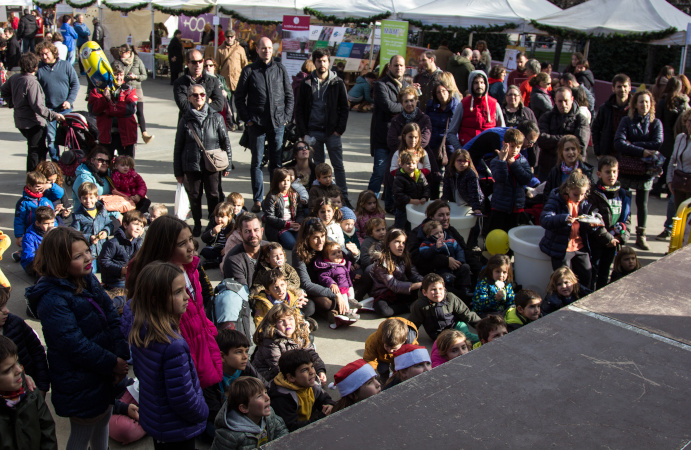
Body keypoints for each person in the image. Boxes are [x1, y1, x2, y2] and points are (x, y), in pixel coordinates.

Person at [25, 227, 129, 450]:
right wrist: (113, 363)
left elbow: (110, 314)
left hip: (103, 373)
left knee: (103, 422)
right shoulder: (52, 298)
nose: (88, 258)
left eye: (87, 252)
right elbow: (74, 344)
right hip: (80, 381)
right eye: (78, 256)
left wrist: (120, 353)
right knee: (82, 434)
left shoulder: (86, 278)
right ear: (58, 261)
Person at [124, 215, 223, 389]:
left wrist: (210, 331)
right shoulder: (156, 283)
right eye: (182, 244)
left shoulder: (190, 267)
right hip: (184, 361)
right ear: (164, 248)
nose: (191, 247)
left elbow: (198, 309)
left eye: (190, 239)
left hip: (203, 347)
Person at [128, 261, 208, 449]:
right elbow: (183, 398)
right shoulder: (173, 346)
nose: (187, 296)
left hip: (157, 420)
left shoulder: (141, 330)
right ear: (156, 299)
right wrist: (203, 411)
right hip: (178, 428)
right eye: (178, 292)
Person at [236, 37, 293, 213]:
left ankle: (275, 197)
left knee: (276, 163)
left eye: (269, 48)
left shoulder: (280, 69)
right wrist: (248, 119)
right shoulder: (249, 71)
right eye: (263, 48)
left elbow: (289, 96)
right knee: (257, 163)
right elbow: (238, 98)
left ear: (272, 50)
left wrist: (286, 117)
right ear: (257, 49)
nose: (266, 51)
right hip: (257, 124)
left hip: (277, 123)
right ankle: (258, 200)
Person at [173, 84, 232, 236]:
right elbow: (178, 146)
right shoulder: (185, 119)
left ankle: (214, 222)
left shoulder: (216, 117)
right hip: (191, 165)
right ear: (189, 98)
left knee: (214, 195)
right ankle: (197, 223)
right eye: (195, 95)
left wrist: (228, 164)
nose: (199, 97)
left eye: (202, 95)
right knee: (194, 196)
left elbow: (225, 142)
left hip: (212, 165)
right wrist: (178, 171)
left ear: (207, 97)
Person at [296, 48, 350, 202]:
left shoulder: (337, 82)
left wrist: (339, 130)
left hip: (332, 132)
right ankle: (323, 199)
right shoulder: (306, 83)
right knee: (319, 167)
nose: (322, 64)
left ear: (329, 62)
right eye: (319, 61)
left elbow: (344, 108)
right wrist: (303, 132)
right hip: (313, 132)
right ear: (314, 63)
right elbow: (299, 109)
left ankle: (343, 198)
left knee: (338, 166)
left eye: (325, 61)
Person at [540, 170, 607, 288]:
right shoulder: (557, 199)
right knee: (563, 281)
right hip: (561, 247)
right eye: (576, 194)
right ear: (567, 190)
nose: (579, 198)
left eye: (582, 194)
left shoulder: (584, 202)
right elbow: (545, 219)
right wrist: (563, 219)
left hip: (579, 246)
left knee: (586, 275)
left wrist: (593, 222)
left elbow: (591, 216)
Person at [614, 89, 663, 250]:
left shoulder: (656, 123)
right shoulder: (626, 121)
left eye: (647, 102)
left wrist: (632, 145)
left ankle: (641, 235)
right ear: (635, 104)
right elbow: (619, 142)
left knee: (642, 203)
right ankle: (621, 230)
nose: (644, 105)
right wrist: (642, 151)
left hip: (645, 171)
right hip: (627, 169)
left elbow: (657, 143)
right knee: (623, 200)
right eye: (641, 101)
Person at [0, 52, 65, 171]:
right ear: (35, 67)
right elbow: (38, 106)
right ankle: (34, 176)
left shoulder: (15, 78)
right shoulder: (32, 82)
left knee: (39, 148)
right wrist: (54, 115)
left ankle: (38, 173)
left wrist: (11, 102)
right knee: (35, 151)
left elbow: (3, 90)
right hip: (33, 122)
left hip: (21, 121)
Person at [203, 329, 268, 438]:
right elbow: (214, 411)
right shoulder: (211, 376)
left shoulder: (246, 368)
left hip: (246, 413)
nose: (245, 356)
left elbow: (265, 386)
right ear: (222, 356)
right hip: (223, 418)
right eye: (239, 352)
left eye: (246, 351)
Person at [0, 335, 57, 450]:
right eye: (7, 370)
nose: (19, 370)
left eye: (17, 362)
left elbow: (47, 430)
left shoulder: (30, 392)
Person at [367, 55, 410, 203]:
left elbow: (415, 107)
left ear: (405, 68)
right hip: (383, 137)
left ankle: (391, 204)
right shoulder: (381, 85)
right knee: (379, 172)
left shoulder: (407, 86)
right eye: (396, 65)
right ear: (389, 66)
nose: (399, 68)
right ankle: (368, 203)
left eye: (401, 65)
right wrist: (406, 106)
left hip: (401, 137)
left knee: (396, 173)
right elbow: (389, 107)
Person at [253, 304, 326, 383]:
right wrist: (302, 380)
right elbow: (277, 368)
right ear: (273, 325)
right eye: (281, 321)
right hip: (268, 375)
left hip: (292, 371)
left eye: (290, 319)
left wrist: (320, 370)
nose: (287, 323)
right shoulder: (270, 341)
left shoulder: (299, 333)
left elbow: (311, 353)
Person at [588, 156, 631, 289]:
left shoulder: (623, 194)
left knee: (605, 272)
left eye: (614, 171)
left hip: (613, 242)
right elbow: (593, 219)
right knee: (592, 271)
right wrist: (608, 238)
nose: (611, 175)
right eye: (607, 172)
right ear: (599, 174)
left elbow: (627, 219)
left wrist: (622, 237)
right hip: (597, 241)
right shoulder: (594, 193)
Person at [210, 376, 287, 448]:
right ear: (244, 408)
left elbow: (281, 432)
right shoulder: (229, 436)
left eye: (265, 392)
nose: (267, 398)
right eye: (259, 396)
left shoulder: (269, 415)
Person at [268, 349, 334, 431]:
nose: (312, 372)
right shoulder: (282, 397)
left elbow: (324, 398)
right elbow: (292, 427)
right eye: (305, 370)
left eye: (312, 366)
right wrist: (320, 418)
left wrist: (329, 405)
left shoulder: (310, 385)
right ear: (291, 377)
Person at [0, 286, 49, 393]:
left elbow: (37, 351)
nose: (6, 310)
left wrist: (42, 386)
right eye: (0, 308)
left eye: (5, 305)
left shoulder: (16, 323)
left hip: (29, 392)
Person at [35, 41, 79, 162]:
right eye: (41, 54)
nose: (44, 57)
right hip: (49, 110)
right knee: (51, 140)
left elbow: (75, 84)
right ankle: (56, 163)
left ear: (53, 52)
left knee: (71, 138)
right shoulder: (39, 68)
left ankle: (72, 162)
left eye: (46, 54)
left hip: (66, 108)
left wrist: (69, 101)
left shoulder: (65, 65)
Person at [537, 87, 590, 180]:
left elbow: (580, 144)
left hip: (573, 171)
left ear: (572, 99)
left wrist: (553, 141)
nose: (563, 104)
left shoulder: (580, 119)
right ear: (555, 101)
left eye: (566, 101)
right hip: (548, 168)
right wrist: (568, 139)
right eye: (560, 101)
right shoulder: (547, 117)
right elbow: (541, 140)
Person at [89, 61, 138, 158]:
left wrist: (107, 109)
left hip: (126, 135)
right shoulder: (98, 90)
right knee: (105, 166)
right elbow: (93, 110)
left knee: (127, 167)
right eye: (116, 74)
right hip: (106, 136)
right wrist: (105, 99)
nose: (119, 78)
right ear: (110, 74)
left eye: (121, 75)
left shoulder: (129, 89)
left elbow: (130, 110)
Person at [409, 273, 480, 341]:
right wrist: (407, 339)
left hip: (456, 325)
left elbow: (467, 314)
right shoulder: (420, 305)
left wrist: (484, 326)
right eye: (433, 289)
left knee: (466, 337)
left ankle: (483, 340)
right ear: (424, 292)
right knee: (452, 343)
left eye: (440, 288)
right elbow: (412, 325)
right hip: (439, 335)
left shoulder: (450, 298)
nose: (438, 292)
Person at [370, 228, 423, 316]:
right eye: (397, 242)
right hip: (384, 293)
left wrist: (426, 281)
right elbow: (393, 285)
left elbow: (414, 275)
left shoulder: (404, 258)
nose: (401, 245)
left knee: (423, 292)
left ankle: (411, 305)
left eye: (403, 243)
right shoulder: (381, 262)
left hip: (400, 292)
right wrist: (414, 285)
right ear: (388, 244)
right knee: (383, 310)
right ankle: (409, 307)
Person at [488, 128, 533, 232]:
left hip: (516, 207)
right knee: (497, 232)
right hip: (500, 206)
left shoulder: (522, 160)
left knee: (512, 233)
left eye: (518, 147)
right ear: (505, 144)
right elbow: (500, 179)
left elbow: (526, 179)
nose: (515, 150)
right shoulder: (496, 161)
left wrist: (514, 164)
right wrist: (502, 162)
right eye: (512, 146)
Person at [447, 70, 505, 149]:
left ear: (486, 84)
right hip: (468, 152)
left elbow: (502, 131)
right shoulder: (463, 104)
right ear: (471, 84)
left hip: (488, 153)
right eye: (476, 83)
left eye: (482, 82)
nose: (479, 85)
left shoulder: (494, 105)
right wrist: (461, 150)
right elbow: (451, 132)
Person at [71, 182, 115, 272]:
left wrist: (106, 232)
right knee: (91, 272)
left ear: (96, 198)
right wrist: (88, 238)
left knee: (106, 271)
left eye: (91, 198)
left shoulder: (102, 211)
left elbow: (109, 224)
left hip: (103, 249)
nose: (88, 201)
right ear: (80, 199)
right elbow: (74, 233)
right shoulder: (78, 215)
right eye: (84, 198)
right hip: (88, 252)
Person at [98, 210, 145, 289]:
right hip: (116, 281)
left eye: (141, 226)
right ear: (125, 225)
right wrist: (120, 270)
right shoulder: (113, 243)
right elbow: (103, 261)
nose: (138, 228)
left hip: (131, 278)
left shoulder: (138, 243)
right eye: (136, 224)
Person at [173, 49, 224, 119]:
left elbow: (219, 105)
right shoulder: (179, 83)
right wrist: (207, 100)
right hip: (188, 124)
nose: (198, 65)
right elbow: (184, 107)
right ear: (187, 63)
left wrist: (194, 102)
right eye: (194, 62)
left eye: (200, 61)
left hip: (208, 123)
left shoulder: (213, 80)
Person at [119, 44, 154, 144]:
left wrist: (136, 77)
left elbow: (144, 76)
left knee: (139, 112)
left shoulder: (137, 60)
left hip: (136, 89)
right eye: (120, 52)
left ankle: (144, 134)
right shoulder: (118, 62)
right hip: (125, 90)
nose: (121, 55)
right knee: (127, 113)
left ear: (129, 53)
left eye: (123, 52)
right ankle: (128, 134)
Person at [262, 168, 303, 250]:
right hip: (279, 227)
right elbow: (270, 217)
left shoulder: (294, 194)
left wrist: (299, 223)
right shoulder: (272, 197)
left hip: (293, 224)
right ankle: (280, 241)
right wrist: (286, 224)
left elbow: (300, 211)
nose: (286, 183)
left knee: (303, 242)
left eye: (288, 180)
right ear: (277, 182)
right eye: (282, 180)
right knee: (292, 244)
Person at [592, 73, 631, 158]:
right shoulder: (605, 108)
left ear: (630, 88)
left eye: (625, 86)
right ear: (613, 88)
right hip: (607, 152)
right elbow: (596, 129)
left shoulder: (634, 109)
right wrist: (598, 151)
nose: (622, 89)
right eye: (619, 86)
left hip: (627, 154)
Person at [215, 29, 248, 131]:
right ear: (225, 38)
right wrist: (216, 79)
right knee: (228, 103)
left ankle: (240, 121)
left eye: (231, 37)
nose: (229, 39)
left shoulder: (240, 49)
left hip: (238, 80)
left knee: (239, 102)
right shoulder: (220, 49)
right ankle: (231, 122)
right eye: (227, 37)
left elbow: (245, 64)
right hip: (226, 81)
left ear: (235, 37)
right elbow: (216, 66)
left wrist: (246, 78)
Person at [427, 77, 461, 164]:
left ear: (448, 91)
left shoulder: (456, 107)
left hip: (450, 146)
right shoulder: (431, 107)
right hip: (434, 145)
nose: (441, 95)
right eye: (438, 92)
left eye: (443, 91)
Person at [393, 151, 430, 228]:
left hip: (416, 207)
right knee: (400, 228)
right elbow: (398, 194)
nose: (411, 166)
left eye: (413, 163)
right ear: (402, 165)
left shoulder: (420, 175)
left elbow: (426, 187)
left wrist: (425, 197)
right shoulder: (399, 178)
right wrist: (411, 201)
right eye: (408, 163)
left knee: (414, 227)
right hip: (403, 209)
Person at [21, 206, 55, 278]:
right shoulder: (29, 237)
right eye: (46, 223)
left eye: (52, 222)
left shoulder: (54, 231)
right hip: (33, 263)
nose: (50, 226)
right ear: (37, 223)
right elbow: (29, 257)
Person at [200, 202, 234, 268]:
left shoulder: (232, 226)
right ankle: (217, 261)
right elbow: (204, 238)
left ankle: (214, 262)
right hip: (215, 247)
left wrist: (227, 248)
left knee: (229, 256)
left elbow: (235, 241)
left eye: (222, 217)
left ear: (229, 217)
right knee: (204, 251)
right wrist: (212, 232)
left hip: (226, 248)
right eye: (217, 216)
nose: (219, 219)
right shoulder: (213, 223)